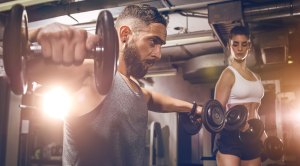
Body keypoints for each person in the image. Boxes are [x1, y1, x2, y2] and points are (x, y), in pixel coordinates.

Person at [27, 4, 202, 166]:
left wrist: (193, 108)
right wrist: (33, 36)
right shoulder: (91, 73)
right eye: (153, 42)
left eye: (161, 45)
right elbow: (26, 66)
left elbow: (153, 99)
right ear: (125, 34)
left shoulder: (135, 89)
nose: (158, 54)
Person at [214, 25, 267, 166]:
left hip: (253, 135)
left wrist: (263, 136)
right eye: (235, 44)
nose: (239, 49)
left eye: (244, 44)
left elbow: (256, 112)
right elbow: (217, 114)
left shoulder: (256, 77)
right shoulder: (228, 74)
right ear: (229, 45)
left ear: (249, 46)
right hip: (231, 137)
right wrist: (238, 125)